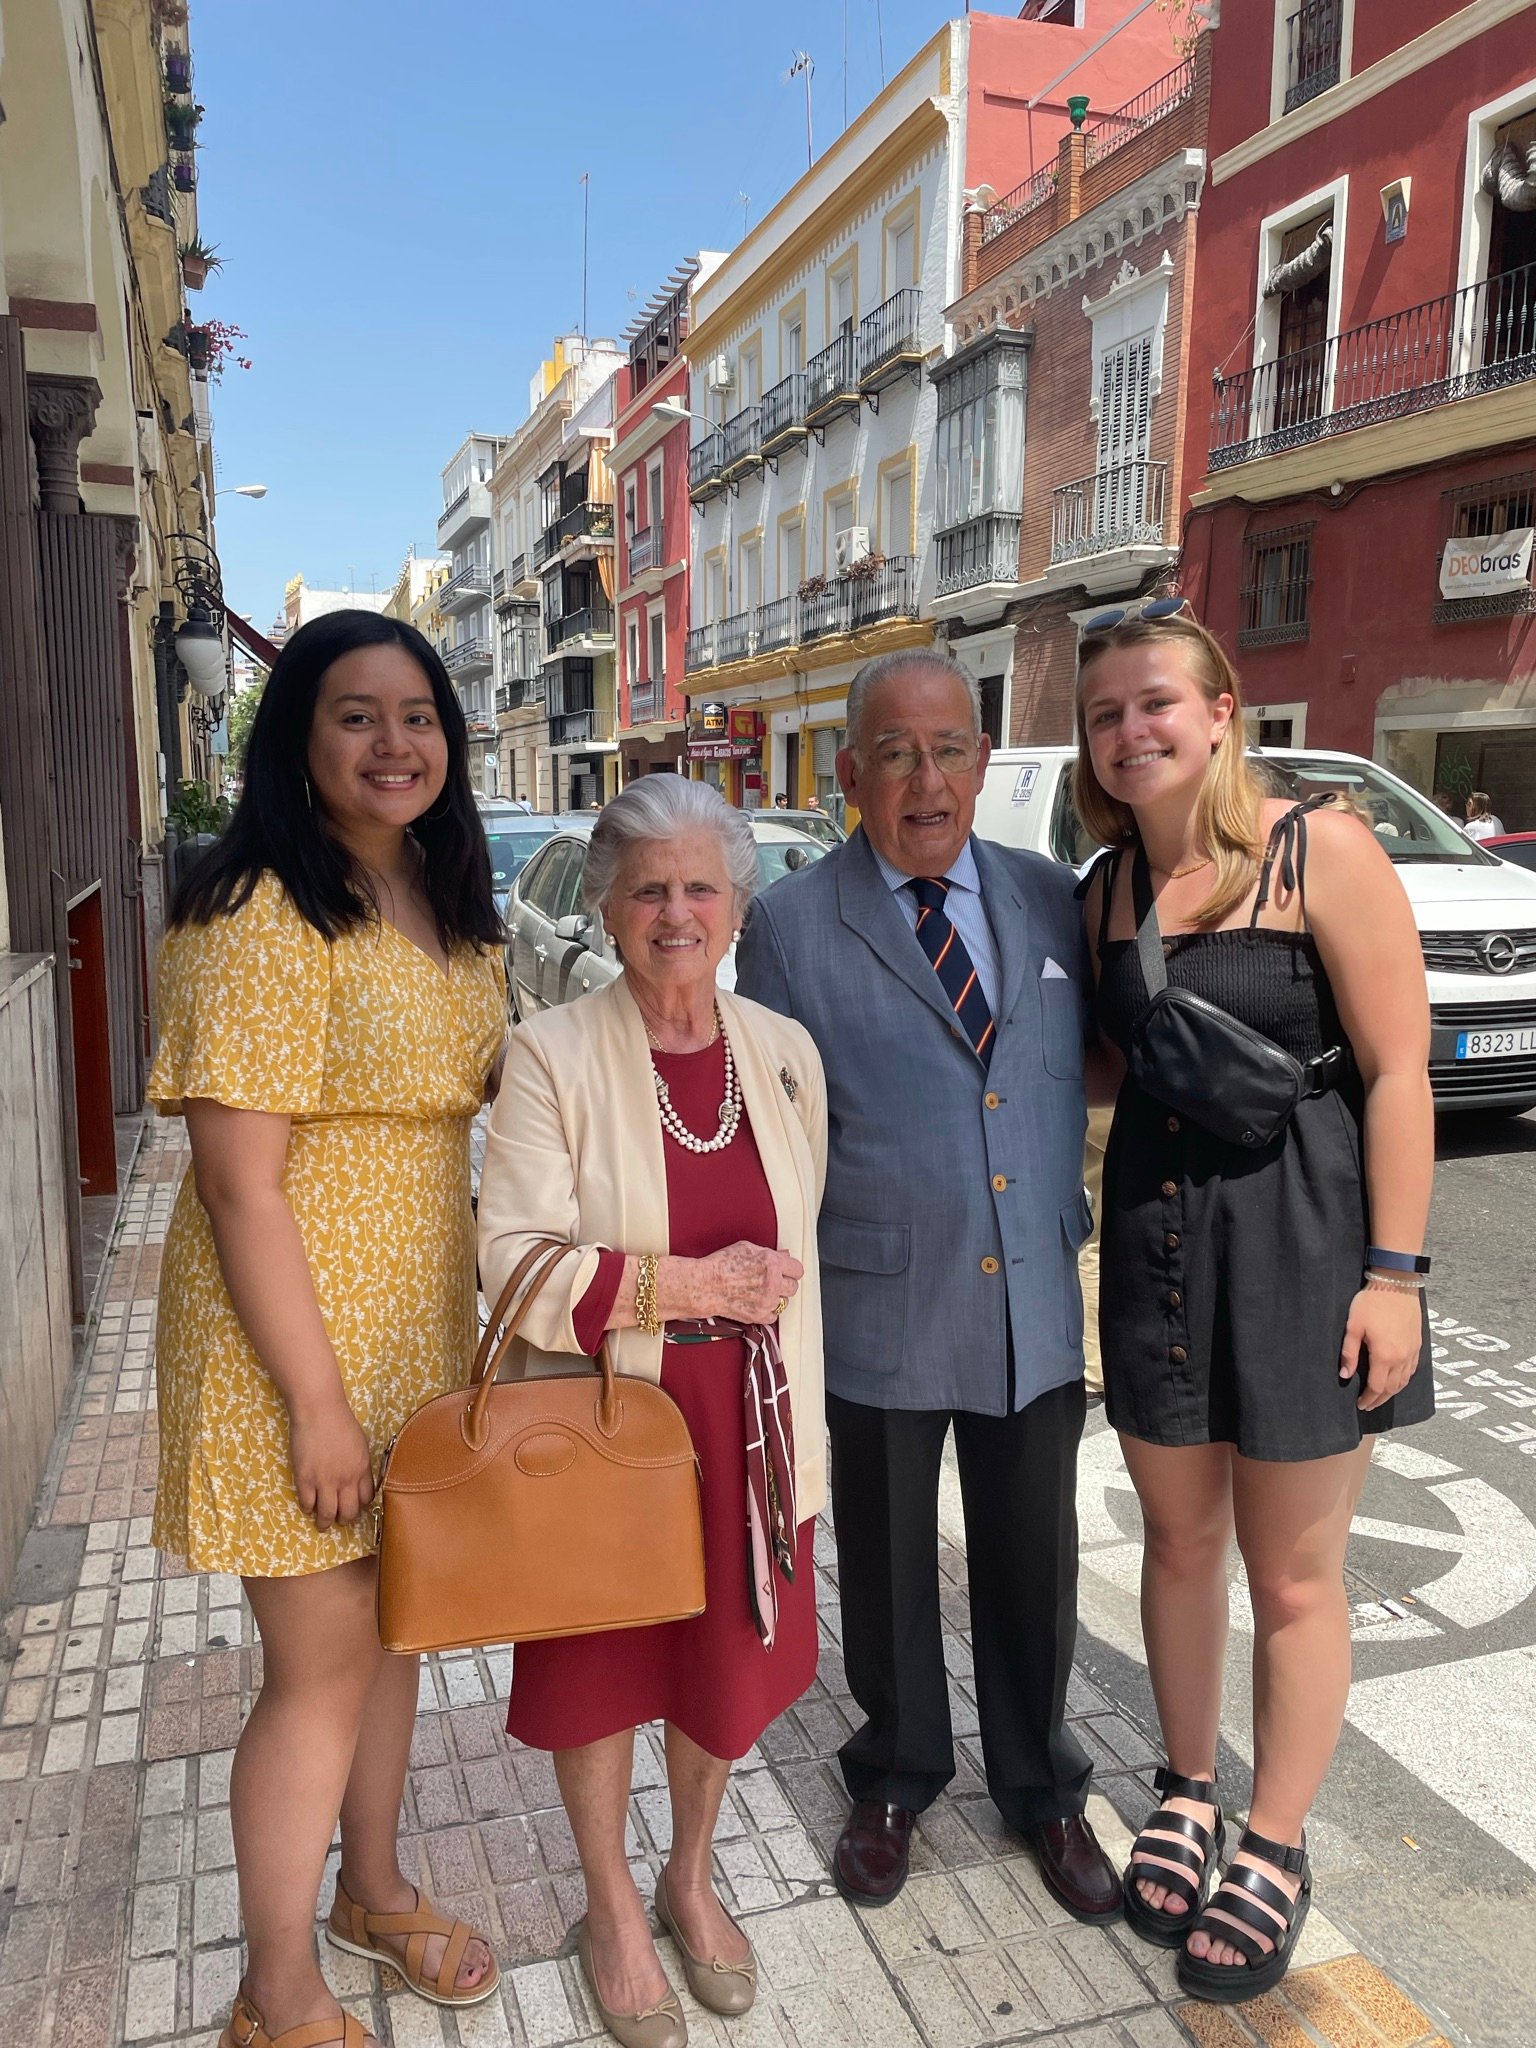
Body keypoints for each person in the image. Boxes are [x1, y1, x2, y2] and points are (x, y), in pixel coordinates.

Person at [147, 613, 505, 2048]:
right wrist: (316, 1403)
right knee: (317, 1676)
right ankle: (274, 1991)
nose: (395, 742)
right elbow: (239, 1187)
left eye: (418, 714)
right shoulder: (257, 913)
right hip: (287, 1345)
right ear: (296, 734)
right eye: (356, 714)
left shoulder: (435, 886)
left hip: (416, 1335)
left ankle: (375, 1888)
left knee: (396, 1638)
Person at [1075, 602, 1432, 2005]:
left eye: (1155, 701)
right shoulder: (1103, 887)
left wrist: (1395, 1278)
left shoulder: (1319, 850)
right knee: (1176, 1540)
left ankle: (1275, 1838)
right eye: (1107, 715)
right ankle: (1187, 1782)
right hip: (1158, 1238)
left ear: (1223, 709)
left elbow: (1400, 1074)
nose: (1130, 731)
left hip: (1303, 1239)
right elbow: (1123, 1067)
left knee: (1292, 1575)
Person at [737, 649, 1120, 1923]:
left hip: (1033, 1308)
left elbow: (1098, 1071)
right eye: (894, 752)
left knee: (1033, 1560)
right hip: (880, 1299)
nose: (926, 777)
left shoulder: (1050, 894)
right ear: (848, 772)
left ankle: (1044, 1786)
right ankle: (897, 1770)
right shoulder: (791, 926)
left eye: (950, 746)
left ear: (983, 760)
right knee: (890, 1566)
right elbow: (773, 1134)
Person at [477, 777, 827, 2048]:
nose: (676, 912)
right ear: (611, 909)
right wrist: (684, 1286)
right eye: (648, 890)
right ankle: (612, 1905)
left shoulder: (783, 1051)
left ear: (736, 903)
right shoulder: (552, 1052)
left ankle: (688, 1869)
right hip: (609, 1414)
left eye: (700, 886)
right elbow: (509, 1252)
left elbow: (804, 1233)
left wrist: (745, 1311)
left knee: (721, 1663)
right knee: (602, 1667)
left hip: (751, 1413)